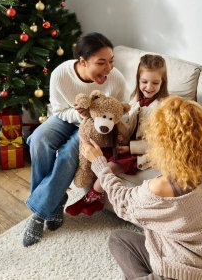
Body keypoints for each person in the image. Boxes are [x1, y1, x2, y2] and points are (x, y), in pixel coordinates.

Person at [81, 95, 202, 280]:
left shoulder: (160, 188)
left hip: (179, 272)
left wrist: (99, 163)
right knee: (120, 239)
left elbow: (123, 203)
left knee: (117, 241)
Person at [23, 32, 126, 247]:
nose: (108, 68)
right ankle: (54, 202)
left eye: (111, 61)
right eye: (101, 62)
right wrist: (79, 114)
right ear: (82, 61)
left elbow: (117, 112)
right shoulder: (61, 75)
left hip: (95, 127)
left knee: (70, 154)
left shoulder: (115, 79)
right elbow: (60, 111)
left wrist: (93, 118)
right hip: (69, 117)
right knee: (38, 139)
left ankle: (39, 214)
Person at [65, 54, 169, 217]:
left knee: (109, 167)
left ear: (163, 83)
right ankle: (92, 193)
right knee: (98, 153)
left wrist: (129, 147)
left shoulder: (162, 108)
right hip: (127, 145)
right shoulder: (135, 100)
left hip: (145, 153)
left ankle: (93, 198)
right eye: (144, 82)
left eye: (155, 83)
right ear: (138, 80)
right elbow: (129, 124)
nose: (149, 87)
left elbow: (158, 144)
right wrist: (121, 134)